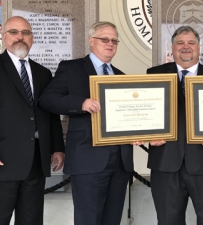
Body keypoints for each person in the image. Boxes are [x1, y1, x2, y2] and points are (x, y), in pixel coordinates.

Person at [0, 16, 65, 225]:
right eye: (14, 32)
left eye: (25, 33)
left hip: (35, 163)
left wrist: (57, 148)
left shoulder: (43, 73)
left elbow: (50, 113)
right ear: (4, 37)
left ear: (32, 38)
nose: (20, 37)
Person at [38, 21, 133, 225]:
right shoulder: (71, 68)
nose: (110, 44)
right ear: (91, 41)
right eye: (104, 39)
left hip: (120, 161)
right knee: (88, 220)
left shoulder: (121, 76)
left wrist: (135, 132)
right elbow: (47, 99)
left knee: (113, 220)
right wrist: (80, 103)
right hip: (88, 159)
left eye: (114, 41)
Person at [145, 26, 203, 225]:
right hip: (165, 164)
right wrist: (146, 133)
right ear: (172, 48)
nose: (186, 47)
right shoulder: (153, 74)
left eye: (191, 43)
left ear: (199, 48)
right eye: (180, 43)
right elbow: (146, 111)